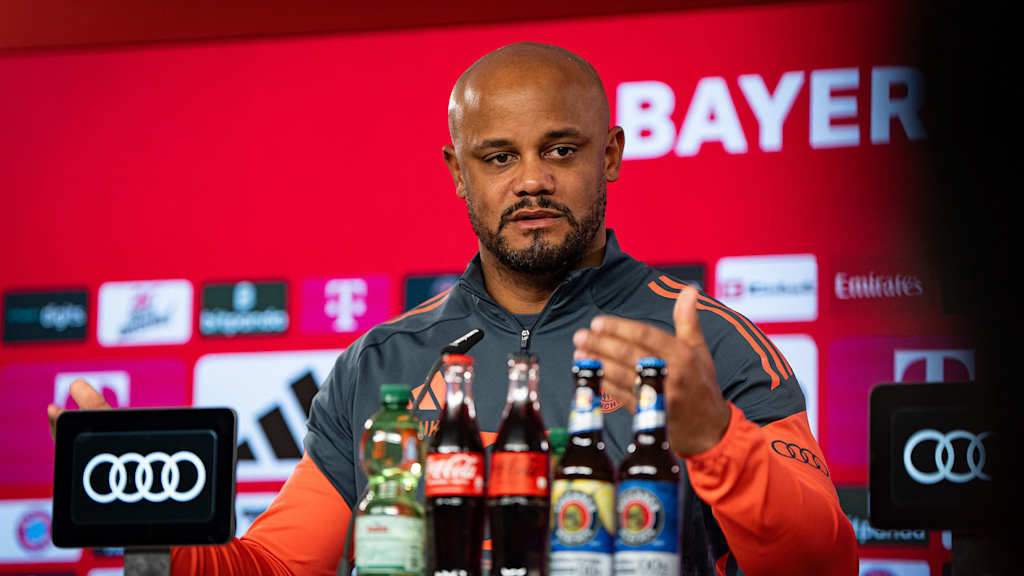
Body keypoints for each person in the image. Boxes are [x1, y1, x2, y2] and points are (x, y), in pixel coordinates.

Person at [49, 42, 858, 575]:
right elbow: (280, 566)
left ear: (610, 154)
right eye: (499, 156)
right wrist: (143, 516)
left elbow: (825, 561)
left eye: (561, 150)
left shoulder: (704, 342)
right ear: (457, 171)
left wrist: (716, 437)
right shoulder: (385, 362)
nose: (532, 180)